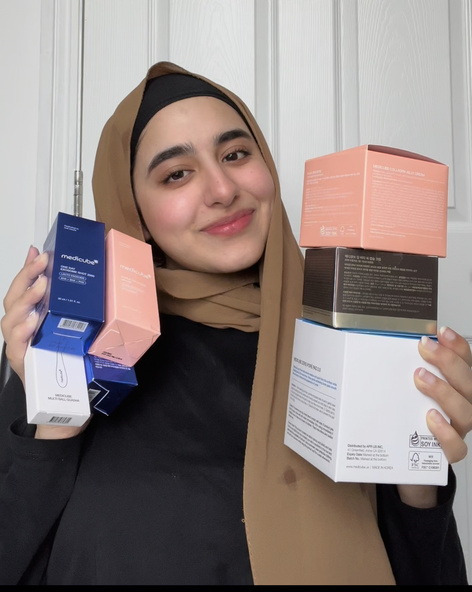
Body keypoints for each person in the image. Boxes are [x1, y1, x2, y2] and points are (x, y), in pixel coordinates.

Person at [0, 61, 470, 586]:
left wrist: (418, 469)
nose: (222, 189)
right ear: (135, 210)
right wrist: (55, 416)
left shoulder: (350, 342)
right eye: (176, 174)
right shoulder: (73, 350)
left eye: (235, 154)